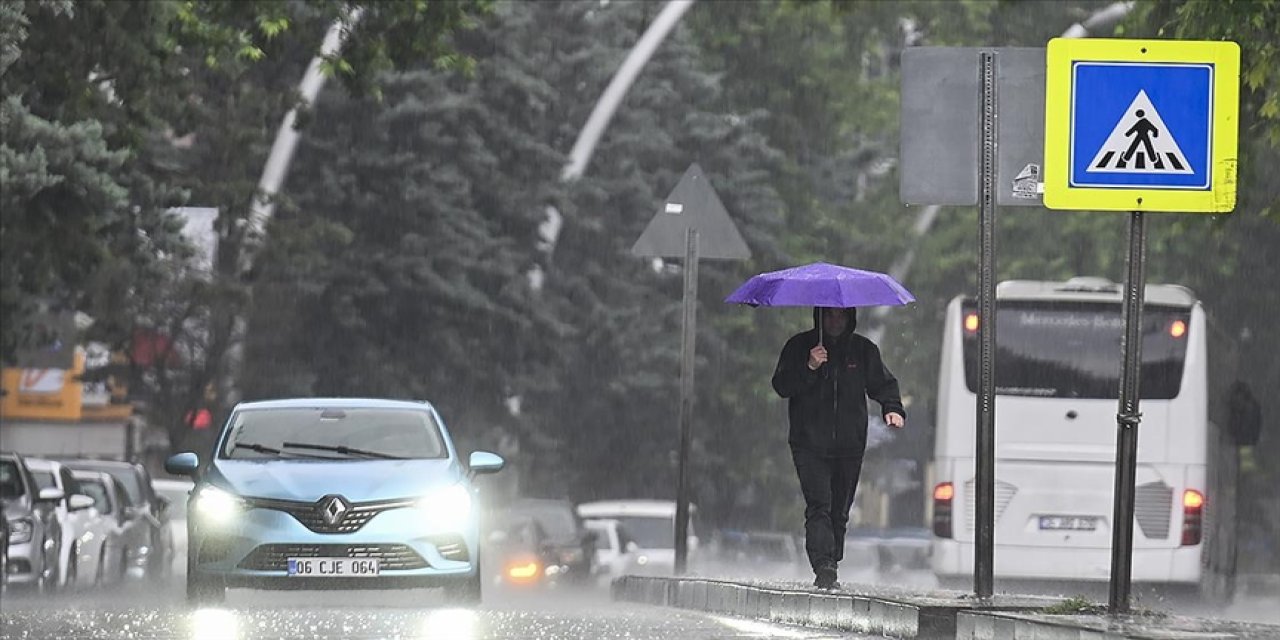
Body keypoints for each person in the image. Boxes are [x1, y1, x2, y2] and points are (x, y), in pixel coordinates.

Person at [772, 306, 905, 589]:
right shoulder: (799, 346)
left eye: (840, 316)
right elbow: (782, 385)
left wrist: (892, 408)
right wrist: (809, 367)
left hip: (849, 445)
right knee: (819, 503)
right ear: (820, 316)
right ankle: (824, 566)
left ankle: (832, 557)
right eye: (829, 315)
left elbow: (883, 383)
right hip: (809, 444)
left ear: (849, 318)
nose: (834, 321)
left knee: (839, 510)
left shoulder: (862, 350)